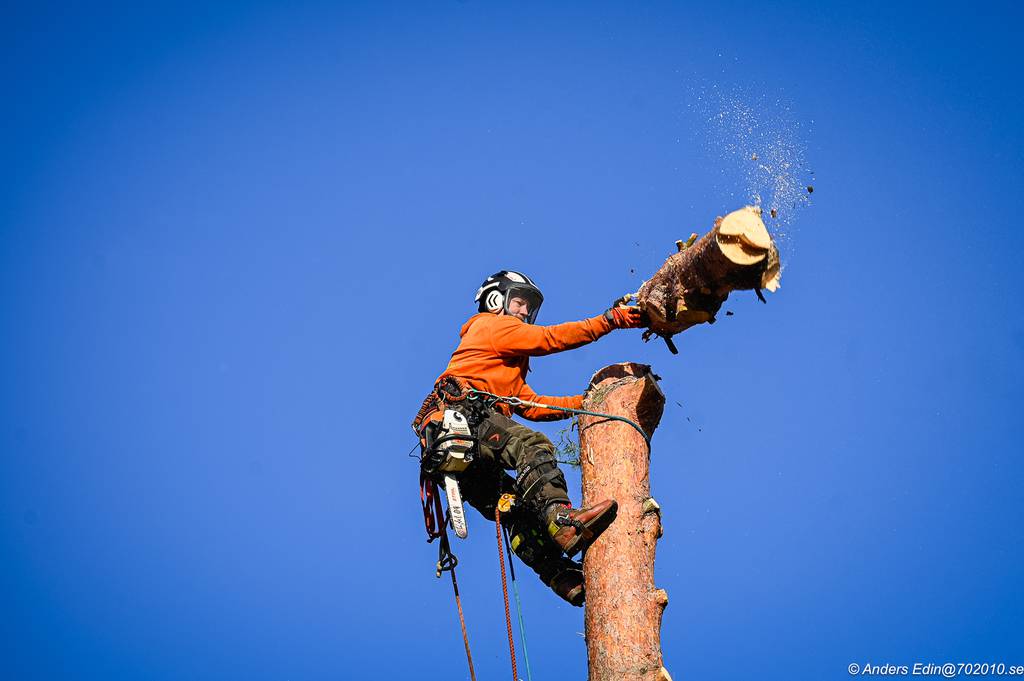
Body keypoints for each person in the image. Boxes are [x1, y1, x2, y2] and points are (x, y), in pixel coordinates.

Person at [412, 270, 644, 605]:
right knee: (532, 446)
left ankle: (559, 575)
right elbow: (550, 338)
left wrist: (588, 403)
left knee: (516, 510)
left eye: (529, 308)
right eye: (519, 302)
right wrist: (609, 320)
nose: (524, 312)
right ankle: (561, 519)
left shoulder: (502, 365)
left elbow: (531, 405)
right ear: (497, 300)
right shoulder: (489, 326)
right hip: (466, 417)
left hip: (456, 448)